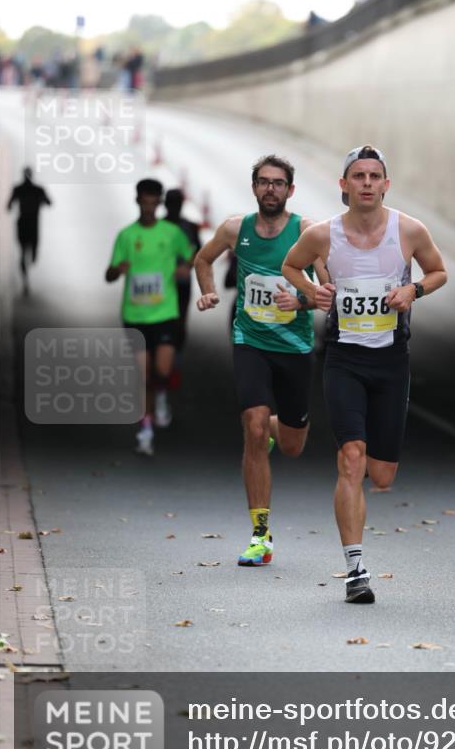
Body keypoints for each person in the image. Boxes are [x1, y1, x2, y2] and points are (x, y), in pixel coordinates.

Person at [282, 145, 448, 604]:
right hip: (344, 358)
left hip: (392, 360)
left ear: (386, 184)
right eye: (359, 176)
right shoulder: (322, 235)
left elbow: (439, 272)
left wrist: (412, 290)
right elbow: (290, 265)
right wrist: (312, 292)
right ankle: (356, 570)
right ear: (344, 185)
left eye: (375, 176)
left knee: (382, 476)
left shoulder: (409, 230)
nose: (368, 183)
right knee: (351, 457)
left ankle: (360, 542)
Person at [194, 154, 328, 567]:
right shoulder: (237, 228)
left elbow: (328, 294)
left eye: (279, 183)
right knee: (252, 426)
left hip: (294, 350)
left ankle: (276, 427)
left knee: (290, 445)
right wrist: (209, 291)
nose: (271, 189)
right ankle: (260, 535)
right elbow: (202, 259)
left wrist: (300, 301)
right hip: (250, 342)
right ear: (254, 187)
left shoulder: (306, 232)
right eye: (264, 182)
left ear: (291, 190)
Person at [105, 179, 196, 456]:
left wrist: (185, 267)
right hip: (135, 315)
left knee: (163, 371)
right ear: (138, 201)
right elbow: (108, 275)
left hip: (165, 313)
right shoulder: (126, 236)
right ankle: (146, 428)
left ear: (158, 203)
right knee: (144, 374)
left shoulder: (171, 233)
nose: (148, 206)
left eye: (153, 201)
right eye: (144, 201)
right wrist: (118, 270)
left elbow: (193, 255)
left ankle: (160, 395)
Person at [164, 188, 201, 359]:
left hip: (182, 281)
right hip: (162, 282)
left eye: (176, 204)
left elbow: (200, 252)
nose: (174, 207)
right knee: (163, 320)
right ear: (165, 204)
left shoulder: (190, 227)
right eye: (171, 203)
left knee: (180, 320)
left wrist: (187, 266)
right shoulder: (158, 227)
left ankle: (176, 356)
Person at [7, 167, 52, 293]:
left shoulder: (20, 189)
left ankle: (25, 280)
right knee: (29, 252)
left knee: (27, 253)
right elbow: (49, 203)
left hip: (24, 223)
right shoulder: (37, 190)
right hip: (31, 224)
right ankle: (25, 281)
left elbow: (8, 206)